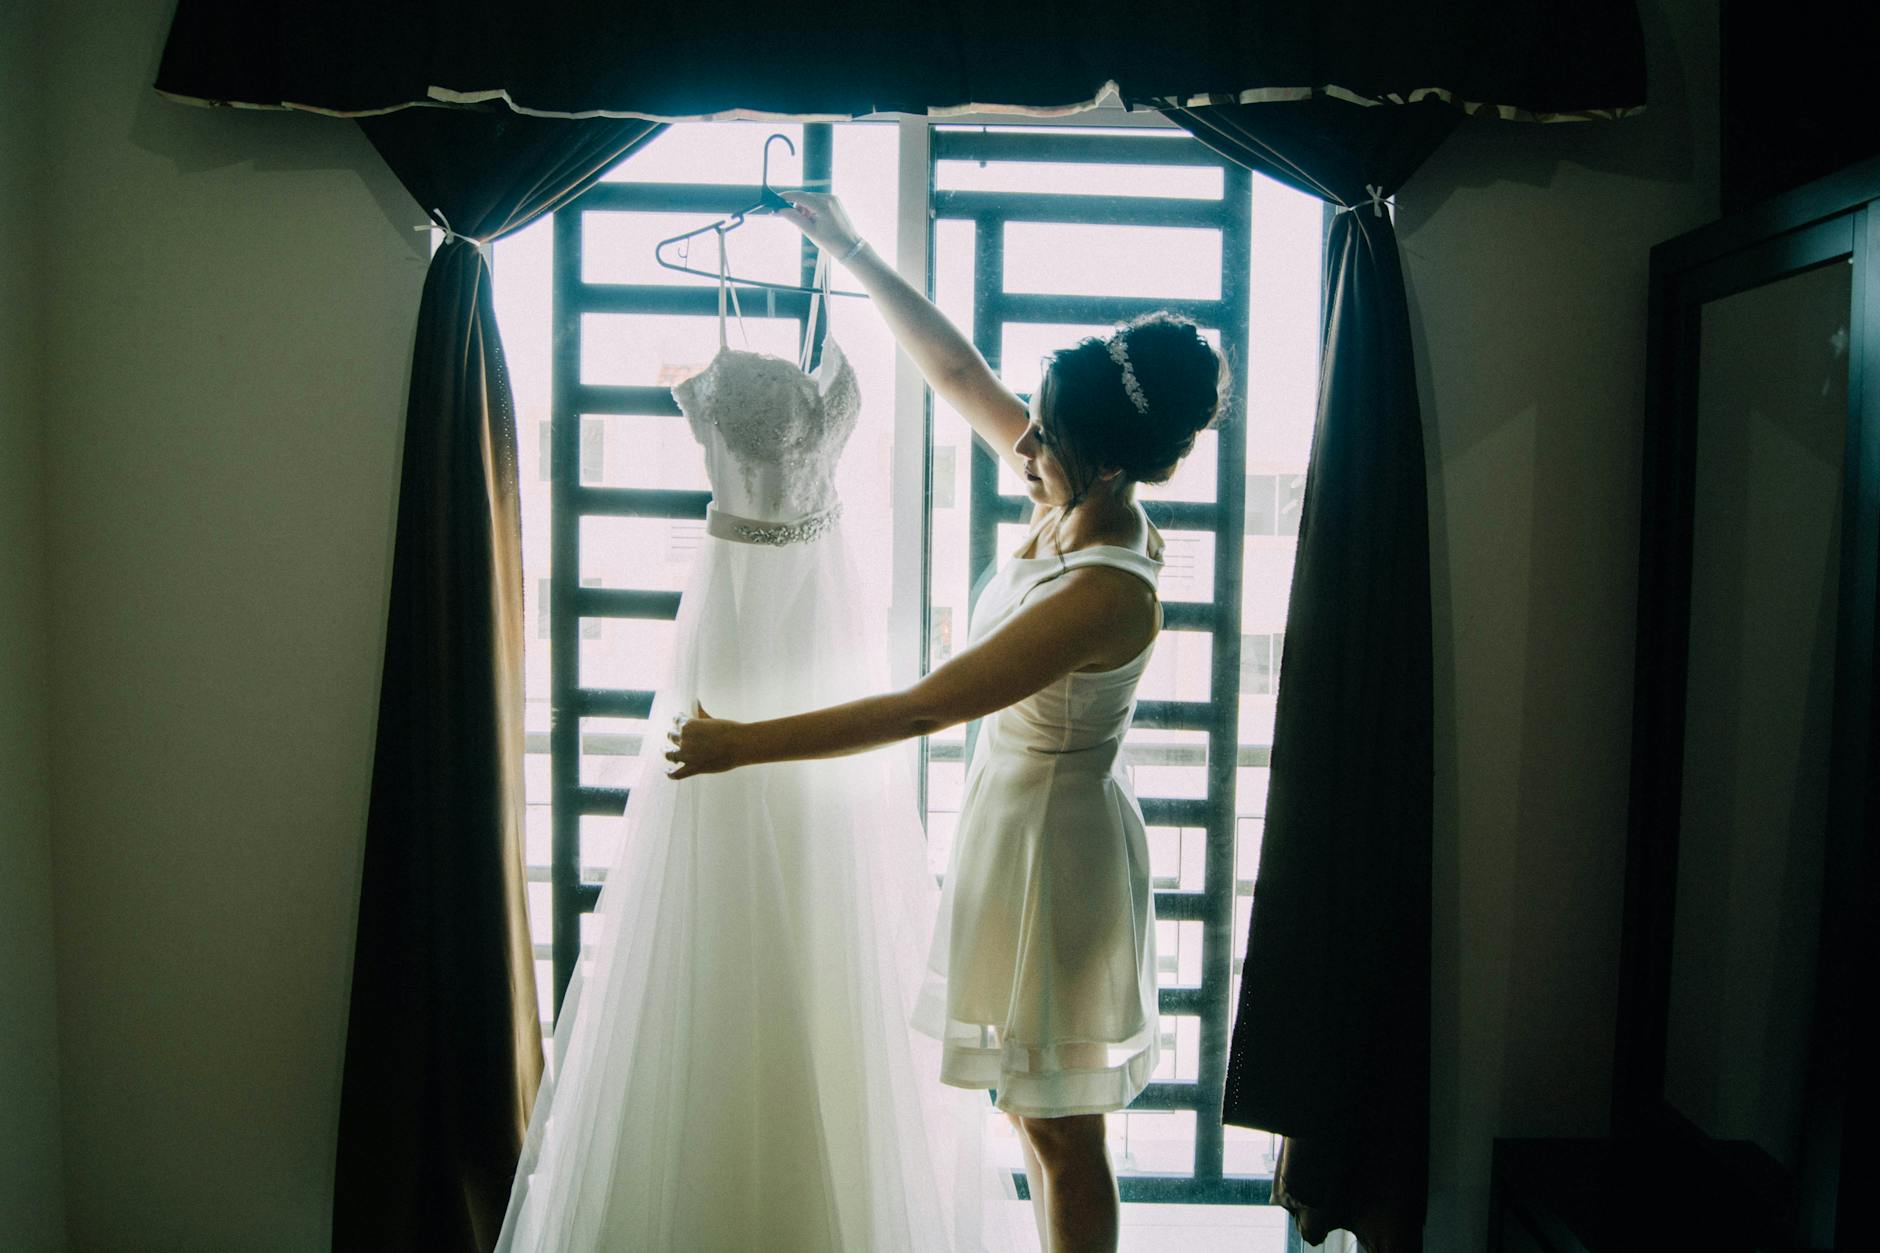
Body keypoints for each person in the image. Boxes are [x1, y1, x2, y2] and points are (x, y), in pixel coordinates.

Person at [668, 191, 1228, 1253]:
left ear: (1106, 460)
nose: (1020, 449)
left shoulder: (1109, 588)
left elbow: (927, 703)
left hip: (1056, 858)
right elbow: (958, 372)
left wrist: (742, 741)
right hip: (1008, 831)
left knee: (1063, 1130)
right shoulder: (1069, 495)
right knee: (1026, 1106)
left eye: (1042, 440)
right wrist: (849, 249)